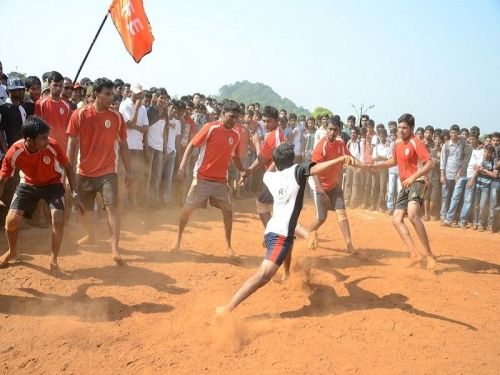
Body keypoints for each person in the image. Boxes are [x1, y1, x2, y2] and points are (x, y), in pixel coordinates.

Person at [215, 143, 354, 316]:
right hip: (279, 235)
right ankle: (227, 308)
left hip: (274, 229)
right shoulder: (298, 171)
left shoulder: (270, 177)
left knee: (290, 240)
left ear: (275, 161)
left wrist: (274, 156)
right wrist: (339, 159)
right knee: (263, 275)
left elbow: (270, 170)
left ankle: (287, 274)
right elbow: (317, 169)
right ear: (293, 159)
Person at [0, 116, 82, 271]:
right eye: (43, 138)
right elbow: (3, 179)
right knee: (11, 222)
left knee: (58, 219)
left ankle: (53, 260)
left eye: (47, 136)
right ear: (29, 141)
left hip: (53, 184)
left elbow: (69, 168)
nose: (47, 140)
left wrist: (75, 193)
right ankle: (12, 252)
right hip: (28, 184)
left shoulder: (53, 145)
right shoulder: (14, 151)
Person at [66, 77, 132, 265]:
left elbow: (124, 145)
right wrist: (68, 171)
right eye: (107, 94)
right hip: (84, 172)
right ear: (96, 94)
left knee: (112, 208)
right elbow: (71, 144)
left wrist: (129, 171)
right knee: (82, 209)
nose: (111, 97)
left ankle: (114, 248)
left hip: (108, 171)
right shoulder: (79, 115)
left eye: (112, 94)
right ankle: (90, 235)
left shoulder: (116, 117)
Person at [170, 100, 245, 256]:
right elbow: (191, 145)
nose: (233, 120)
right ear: (223, 113)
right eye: (231, 116)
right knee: (187, 210)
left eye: (236, 118)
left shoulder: (235, 135)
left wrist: (242, 171)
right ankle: (178, 238)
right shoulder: (210, 128)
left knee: (228, 211)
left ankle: (228, 246)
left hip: (221, 182)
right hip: (202, 178)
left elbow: (236, 157)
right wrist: (182, 167)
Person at [366, 113, 437, 269]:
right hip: (405, 184)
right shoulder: (397, 142)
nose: (401, 130)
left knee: (412, 214)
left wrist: (414, 177)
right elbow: (393, 161)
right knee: (396, 219)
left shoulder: (416, 142)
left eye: (404, 128)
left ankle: (429, 255)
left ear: (411, 128)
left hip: (418, 181)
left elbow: (430, 164)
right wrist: (374, 166)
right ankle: (414, 254)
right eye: (399, 127)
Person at [307, 119, 365, 253]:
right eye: (330, 129)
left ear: (339, 131)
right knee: (321, 218)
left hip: (334, 185)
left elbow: (350, 159)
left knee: (341, 212)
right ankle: (304, 234)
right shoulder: (321, 146)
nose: (332, 132)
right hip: (319, 185)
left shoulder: (340, 144)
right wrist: (321, 192)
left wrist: (367, 166)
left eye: (335, 130)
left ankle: (349, 244)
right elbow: (314, 171)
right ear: (326, 128)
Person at [119, 83, 149, 209]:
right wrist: (135, 109)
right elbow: (128, 124)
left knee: (136, 177)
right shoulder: (125, 105)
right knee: (125, 177)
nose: (138, 95)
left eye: (140, 93)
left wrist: (135, 126)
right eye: (136, 93)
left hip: (138, 147)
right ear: (131, 92)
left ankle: (134, 204)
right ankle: (122, 205)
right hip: (127, 147)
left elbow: (146, 128)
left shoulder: (143, 108)